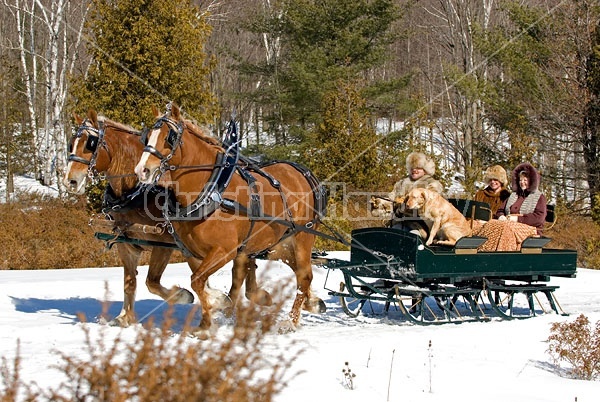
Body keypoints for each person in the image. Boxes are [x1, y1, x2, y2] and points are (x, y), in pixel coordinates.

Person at [388, 152, 444, 236]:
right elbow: (391, 200)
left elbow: (431, 205)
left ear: (425, 170)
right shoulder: (401, 183)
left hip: (422, 226)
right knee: (392, 234)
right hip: (400, 222)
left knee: (412, 237)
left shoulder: (432, 184)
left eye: (418, 167)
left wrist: (406, 207)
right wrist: (382, 204)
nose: (414, 170)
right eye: (412, 167)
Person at [496, 162, 547, 235]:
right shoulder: (514, 195)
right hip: (509, 224)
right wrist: (501, 216)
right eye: (520, 180)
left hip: (531, 229)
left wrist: (517, 219)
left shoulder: (539, 197)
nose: (522, 182)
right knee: (491, 225)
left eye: (525, 180)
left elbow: (539, 218)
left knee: (506, 231)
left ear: (532, 181)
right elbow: (500, 210)